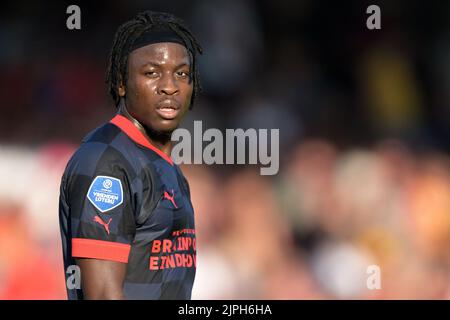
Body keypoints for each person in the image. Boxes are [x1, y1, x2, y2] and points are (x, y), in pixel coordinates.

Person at [58, 10, 203, 300]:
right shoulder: (107, 161)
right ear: (121, 83)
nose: (169, 86)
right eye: (152, 73)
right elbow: (102, 295)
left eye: (181, 74)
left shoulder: (166, 166)